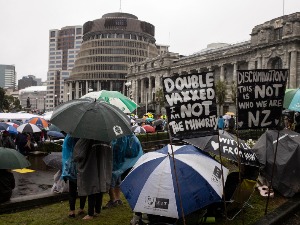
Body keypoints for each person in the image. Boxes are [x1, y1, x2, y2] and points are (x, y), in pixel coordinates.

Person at [74, 138, 113, 220]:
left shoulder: (86, 138)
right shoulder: (106, 138)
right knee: (100, 187)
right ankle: (97, 210)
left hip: (90, 166)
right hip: (103, 165)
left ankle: (90, 213)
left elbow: (78, 154)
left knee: (92, 187)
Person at [103, 134, 143, 209]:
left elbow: (116, 147)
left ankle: (113, 199)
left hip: (114, 161)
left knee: (111, 180)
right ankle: (117, 198)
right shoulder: (128, 134)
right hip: (123, 161)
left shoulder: (116, 136)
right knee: (117, 179)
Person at [61, 134, 86, 218]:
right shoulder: (85, 136)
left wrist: (65, 170)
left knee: (72, 189)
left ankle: (72, 211)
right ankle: (81, 208)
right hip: (83, 164)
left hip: (72, 165)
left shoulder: (69, 137)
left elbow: (65, 153)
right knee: (82, 188)